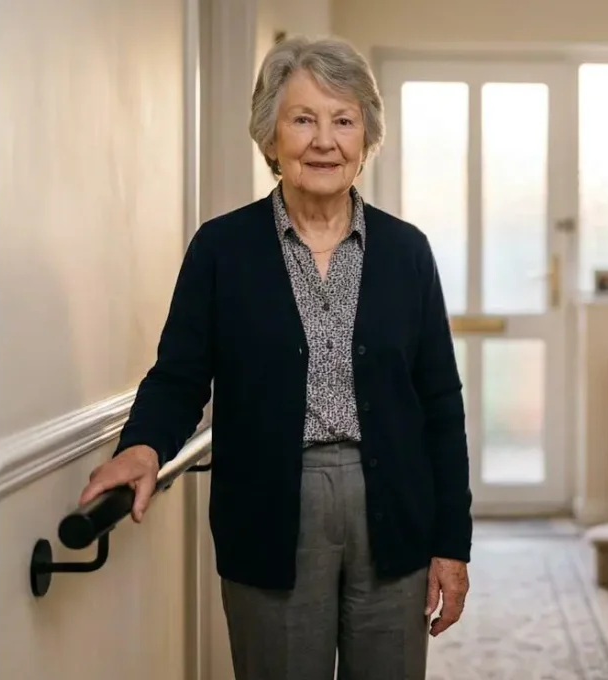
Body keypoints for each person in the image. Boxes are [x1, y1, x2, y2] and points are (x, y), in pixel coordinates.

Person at [77, 35, 472, 680]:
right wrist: (143, 446)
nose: (324, 141)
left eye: (343, 121)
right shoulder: (222, 250)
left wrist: (451, 544)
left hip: (395, 508)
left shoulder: (407, 252)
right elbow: (179, 375)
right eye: (303, 119)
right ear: (271, 137)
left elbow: (440, 405)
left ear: (366, 138)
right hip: (269, 508)